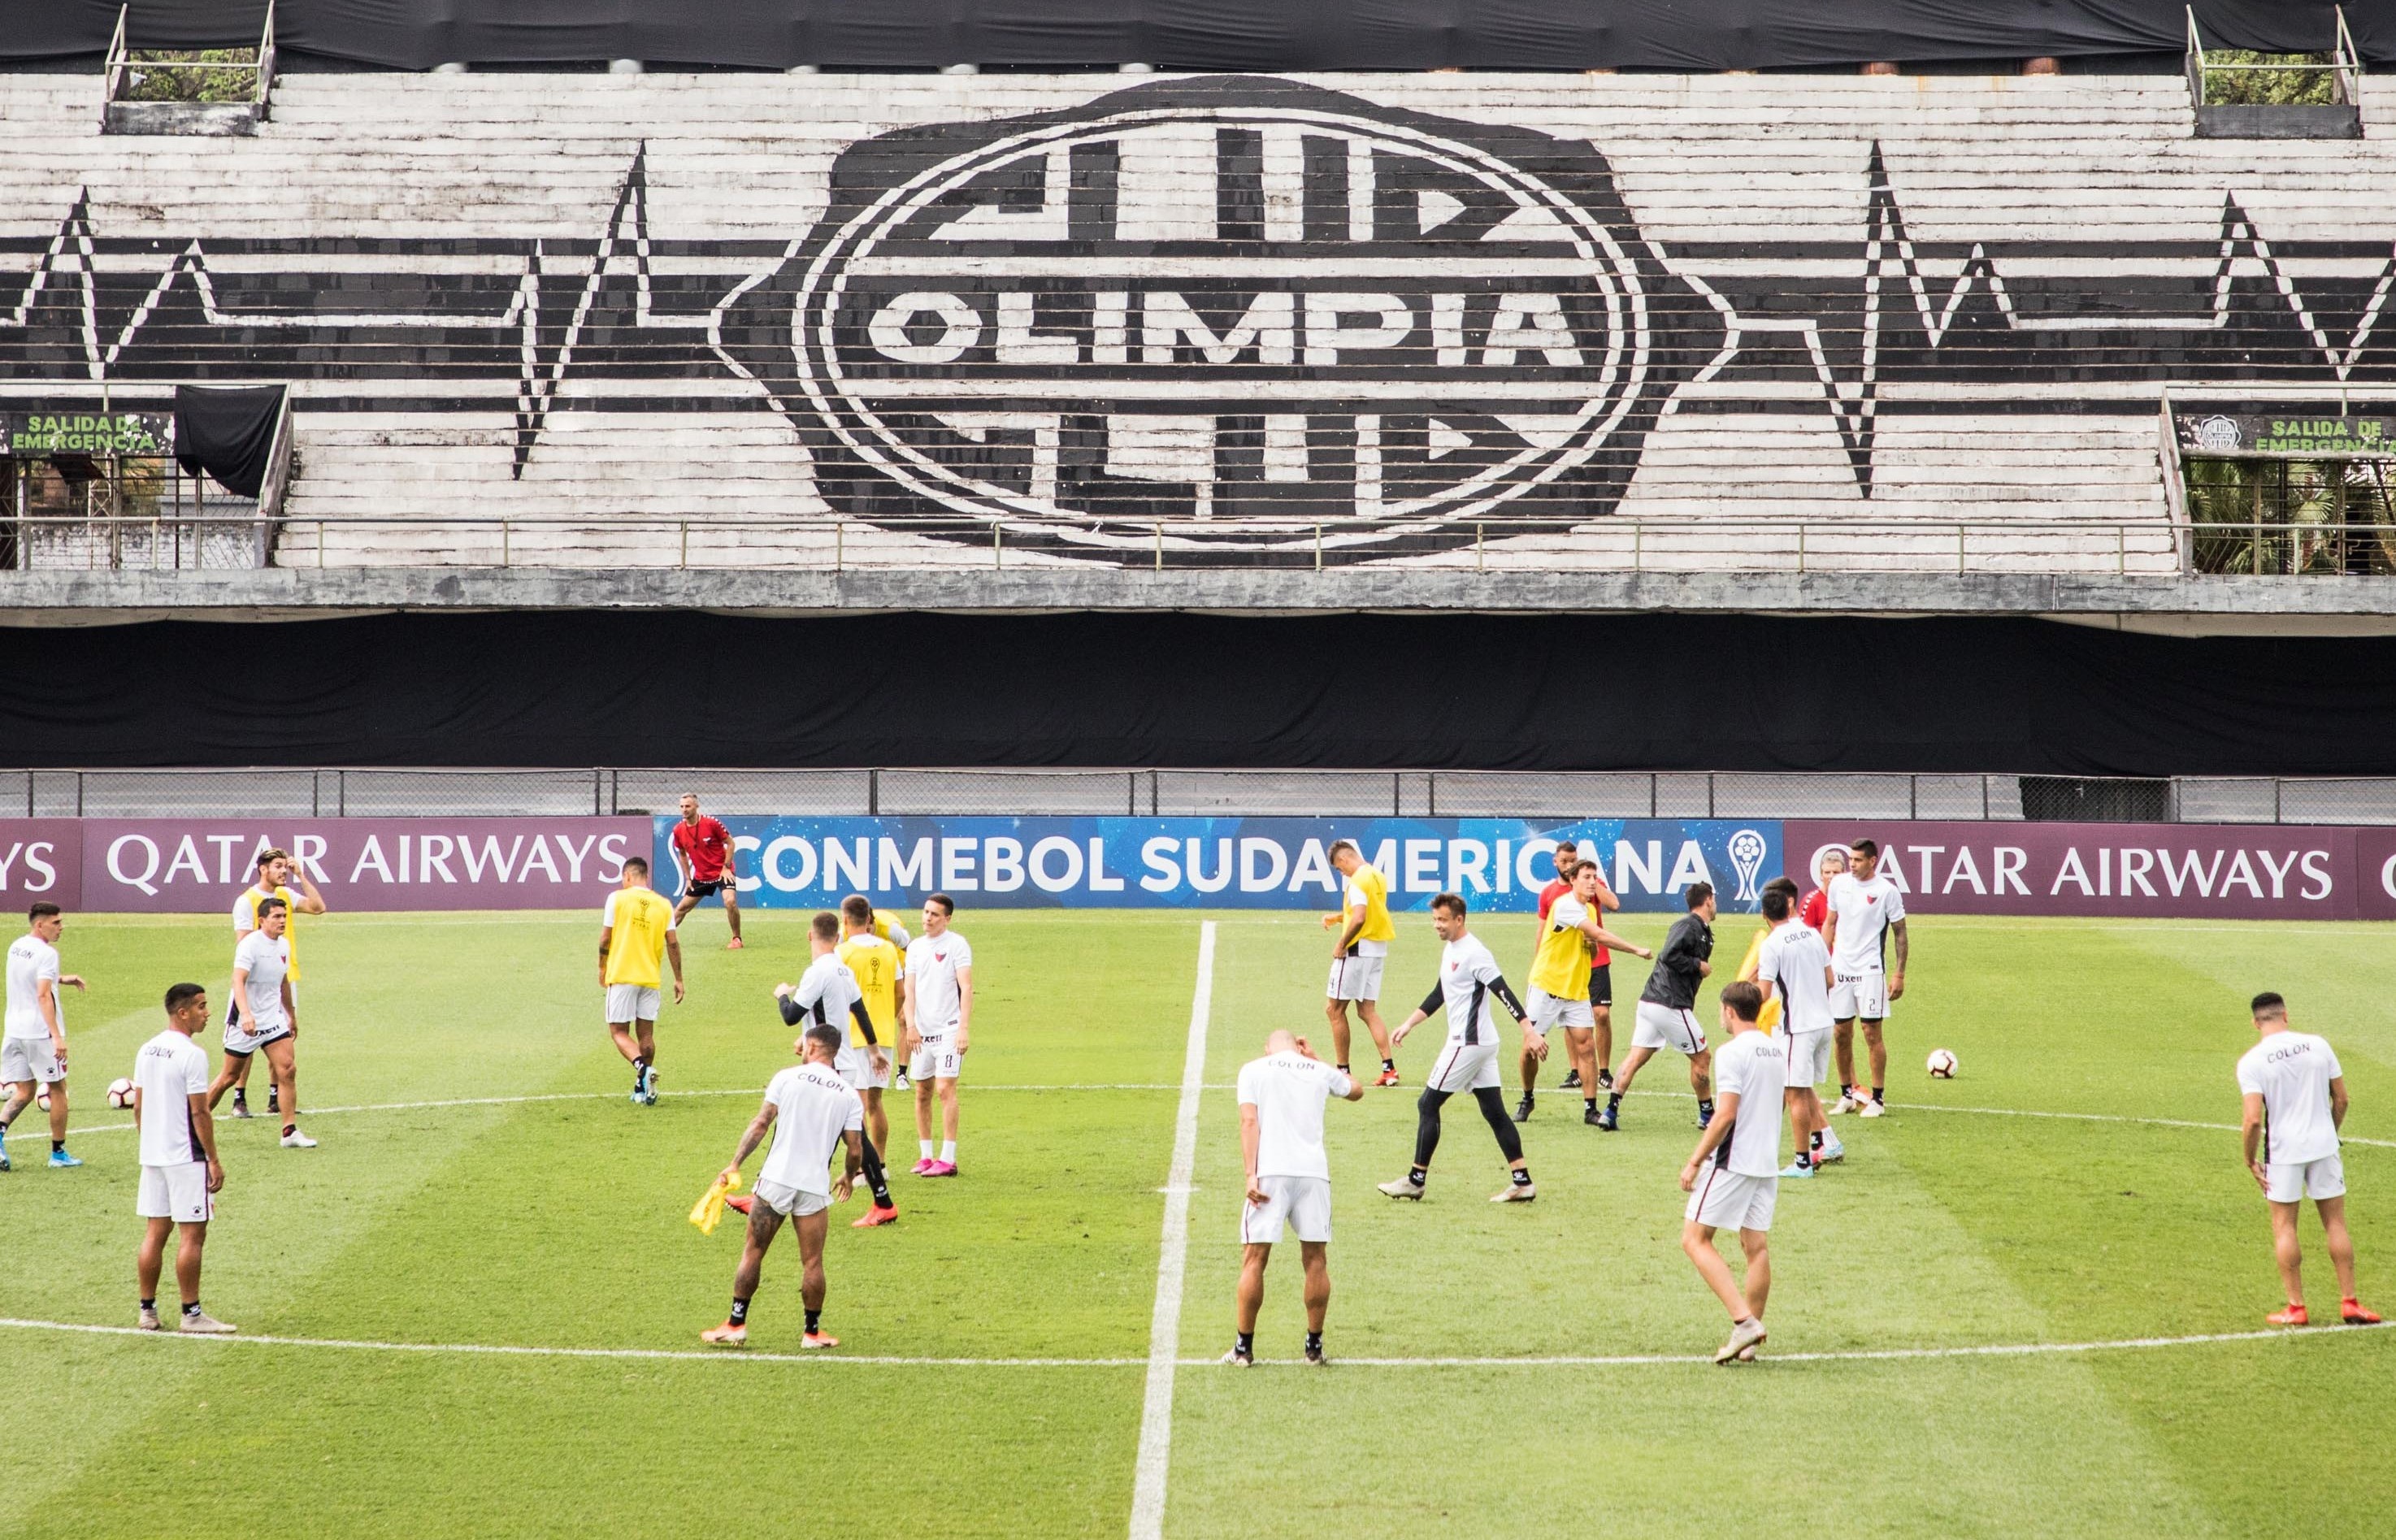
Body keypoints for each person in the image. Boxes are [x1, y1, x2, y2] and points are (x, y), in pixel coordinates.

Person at [701, 1022, 864, 1350]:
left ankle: (736, 1323)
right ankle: (812, 1332)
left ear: (813, 1047)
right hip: (814, 1188)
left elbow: (761, 1123)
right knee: (813, 1262)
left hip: (776, 1180)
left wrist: (735, 1163)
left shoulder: (787, 1077)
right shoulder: (848, 1094)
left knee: (754, 1251)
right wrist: (848, 1175)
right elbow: (856, 1148)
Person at [1376, 893, 1540, 1204]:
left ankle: (1415, 1179)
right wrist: (1410, 1023)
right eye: (1434, 920)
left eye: (1442, 920)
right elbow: (1441, 992)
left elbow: (1502, 991)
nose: (1437, 925)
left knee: (1427, 1104)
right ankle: (1522, 1181)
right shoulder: (1451, 949)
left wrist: (1528, 1031)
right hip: (1482, 1043)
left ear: (1459, 920)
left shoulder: (1475, 953)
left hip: (1468, 1043)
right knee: (1494, 1111)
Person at [2238, 992, 2377, 1326]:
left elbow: (2253, 1120)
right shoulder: (2318, 1045)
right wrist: (2330, 1132)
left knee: (2284, 1226)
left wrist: (2249, 1159)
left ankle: (2296, 1308)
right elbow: (2342, 1099)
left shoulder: (2252, 1062)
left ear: (2256, 1022)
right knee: (2336, 1224)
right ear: (2286, 1014)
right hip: (2324, 1146)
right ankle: (2350, 1303)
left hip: (2284, 1152)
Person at [1226, 1029, 1361, 1366]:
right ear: (1297, 1049)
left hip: (1271, 1173)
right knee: (1316, 1259)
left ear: (1267, 1048)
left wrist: (1249, 1175)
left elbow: (1248, 1121)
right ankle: (1313, 1349)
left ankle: (1244, 1349)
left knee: (1254, 1258)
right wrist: (1318, 1061)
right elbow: (1356, 1090)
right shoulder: (1316, 1070)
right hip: (1313, 1174)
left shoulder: (1253, 1069)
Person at [760, 910, 899, 1228]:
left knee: (810, 1127)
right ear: (838, 937)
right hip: (840, 1061)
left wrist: (782, 995)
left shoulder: (817, 972)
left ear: (810, 935)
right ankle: (883, 1203)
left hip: (829, 1065)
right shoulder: (843, 969)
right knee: (847, 1133)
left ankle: (767, 1193)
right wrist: (874, 1050)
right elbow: (859, 1010)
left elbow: (792, 1015)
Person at [1678, 981, 1786, 1364]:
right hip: (1766, 1163)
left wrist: (1695, 1160)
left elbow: (1725, 1114)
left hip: (1733, 1160)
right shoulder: (1777, 1049)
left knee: (1694, 1238)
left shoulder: (1730, 1053)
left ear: (1728, 1011)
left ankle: (1743, 1322)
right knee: (1755, 1247)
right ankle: (1750, 1341)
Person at [133, 983, 233, 1334]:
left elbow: (140, 1106)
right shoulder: (192, 1054)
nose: (208, 1013)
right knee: (193, 1236)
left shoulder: (147, 1049)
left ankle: (147, 1311)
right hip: (185, 1156)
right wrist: (214, 1160)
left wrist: (148, 1143)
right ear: (183, 1012)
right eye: (202, 1007)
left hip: (154, 1154)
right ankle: (191, 1314)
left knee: (154, 1233)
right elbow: (200, 1112)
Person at [1517, 860, 1650, 1126]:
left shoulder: (1589, 909)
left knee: (1586, 1047)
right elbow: (1600, 935)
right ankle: (1527, 1098)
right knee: (1530, 1048)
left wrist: (1589, 946)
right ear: (1573, 879)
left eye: (1595, 877)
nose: (1593, 882)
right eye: (1587, 877)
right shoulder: (1565, 905)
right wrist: (1635, 949)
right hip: (1547, 986)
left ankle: (1590, 1109)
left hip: (1576, 989)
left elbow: (1590, 947)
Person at [1598, 883, 1718, 1131]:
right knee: (1702, 1056)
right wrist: (1698, 965)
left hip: (1651, 1001)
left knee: (1636, 1057)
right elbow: (1669, 955)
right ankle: (1708, 1115)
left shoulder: (1700, 929)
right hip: (1670, 1004)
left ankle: (1609, 1111)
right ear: (1708, 900)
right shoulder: (1688, 925)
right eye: (1714, 900)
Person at [224, 848, 325, 1121]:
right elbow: (243, 942)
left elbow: (318, 907)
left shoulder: (285, 896)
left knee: (280, 1036)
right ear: (263, 869)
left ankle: (275, 1097)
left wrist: (301, 875)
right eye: (278, 866)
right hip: (256, 981)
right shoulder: (247, 901)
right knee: (247, 1040)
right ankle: (239, 1097)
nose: (284, 871)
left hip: (283, 976)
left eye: (285, 866)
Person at [206, 898, 314, 1149]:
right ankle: (191, 1122)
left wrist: (291, 1014)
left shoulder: (283, 945)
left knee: (287, 1069)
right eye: (276, 917)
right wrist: (245, 1014)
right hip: (246, 1021)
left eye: (284, 916)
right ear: (262, 920)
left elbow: (283, 981)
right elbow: (238, 980)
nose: (282, 921)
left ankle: (289, 1131)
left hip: (273, 1019)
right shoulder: (249, 945)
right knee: (228, 1077)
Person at [1753, 883, 1841, 1176]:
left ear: (1765, 914)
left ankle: (1802, 1162)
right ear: (1790, 907)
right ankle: (1819, 1145)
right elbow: (1830, 980)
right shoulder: (1813, 934)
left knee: (1795, 1094)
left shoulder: (1772, 945)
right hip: (1824, 1023)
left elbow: (1764, 993)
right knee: (1804, 1089)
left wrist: (1740, 996)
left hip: (1798, 1027)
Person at [1530, 839, 1624, 1094]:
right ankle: (1575, 1071)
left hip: (1597, 959)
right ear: (1555, 862)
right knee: (1570, 1020)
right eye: (1564, 861)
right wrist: (1539, 962)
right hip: (1564, 968)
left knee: (1601, 1015)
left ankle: (1603, 1071)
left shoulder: (1590, 884)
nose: (1569, 865)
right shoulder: (1550, 894)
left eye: (1573, 861)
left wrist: (1594, 885)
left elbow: (1614, 904)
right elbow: (1542, 930)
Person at [1823, 838, 1908, 1117]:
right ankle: (1846, 1094)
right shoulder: (1839, 885)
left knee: (1871, 1033)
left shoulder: (1887, 891)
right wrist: (1824, 962)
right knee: (1840, 1033)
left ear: (1873, 861)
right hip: (1841, 969)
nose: (1852, 864)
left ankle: (1878, 1099)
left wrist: (1898, 973)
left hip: (1870, 970)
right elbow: (1830, 922)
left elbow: (1900, 933)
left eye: (1858, 860)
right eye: (1851, 859)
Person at [836, 895, 906, 1225]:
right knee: (875, 1104)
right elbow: (901, 993)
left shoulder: (844, 952)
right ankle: (882, 1163)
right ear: (870, 919)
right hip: (885, 1036)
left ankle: (865, 1169)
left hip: (853, 1038)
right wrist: (887, 1022)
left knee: (856, 1106)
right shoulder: (889, 949)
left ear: (845, 920)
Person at [1, 902, 87, 1171]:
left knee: (25, 1091)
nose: (61, 927)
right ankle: (58, 1154)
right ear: (41, 924)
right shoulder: (48, 953)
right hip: (39, 1034)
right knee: (59, 1088)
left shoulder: (17, 946)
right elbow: (42, 994)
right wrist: (57, 1036)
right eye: (56, 922)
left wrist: (61, 979)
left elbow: (30, 978)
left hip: (14, 1030)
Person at [600, 856, 684, 1106]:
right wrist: (679, 979)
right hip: (650, 978)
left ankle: (643, 1069)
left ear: (627, 876)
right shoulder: (664, 905)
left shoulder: (617, 898)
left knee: (618, 1032)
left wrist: (601, 967)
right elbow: (673, 943)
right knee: (645, 1035)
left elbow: (605, 939)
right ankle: (641, 1089)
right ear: (646, 877)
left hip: (623, 975)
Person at [901, 893, 972, 1176]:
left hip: (949, 1029)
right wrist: (911, 1025)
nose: (927, 918)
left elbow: (966, 987)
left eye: (934, 914)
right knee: (922, 1092)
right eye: (926, 912)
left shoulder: (957, 945)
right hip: (922, 1032)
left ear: (947, 919)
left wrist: (963, 1029)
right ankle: (926, 1155)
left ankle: (948, 1157)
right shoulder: (916, 947)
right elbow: (909, 989)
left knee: (945, 1089)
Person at [1321, 839, 1400, 1087]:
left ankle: (1342, 1072)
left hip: (1357, 950)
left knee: (1334, 1010)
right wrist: (1337, 918)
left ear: (1344, 859)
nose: (1341, 872)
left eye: (1338, 868)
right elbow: (1369, 911)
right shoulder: (1376, 876)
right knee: (1367, 1011)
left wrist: (1341, 943)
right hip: (1377, 950)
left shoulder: (1356, 881)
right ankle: (1389, 1070)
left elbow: (1360, 916)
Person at [668, 793, 744, 950]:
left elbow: (730, 843)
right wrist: (688, 879)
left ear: (696, 806)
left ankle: (737, 938)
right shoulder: (678, 830)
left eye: (688, 806)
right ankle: (661, 936)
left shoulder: (711, 823)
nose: (684, 810)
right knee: (681, 909)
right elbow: (682, 854)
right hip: (702, 876)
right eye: (682, 806)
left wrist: (725, 867)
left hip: (722, 871)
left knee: (730, 901)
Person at [1799, 847, 1846, 931]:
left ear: (1844, 874)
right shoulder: (1812, 901)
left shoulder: (1851, 898)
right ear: (1821, 875)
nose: (1831, 876)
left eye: (1836, 872)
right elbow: (1803, 938)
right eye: (1827, 872)